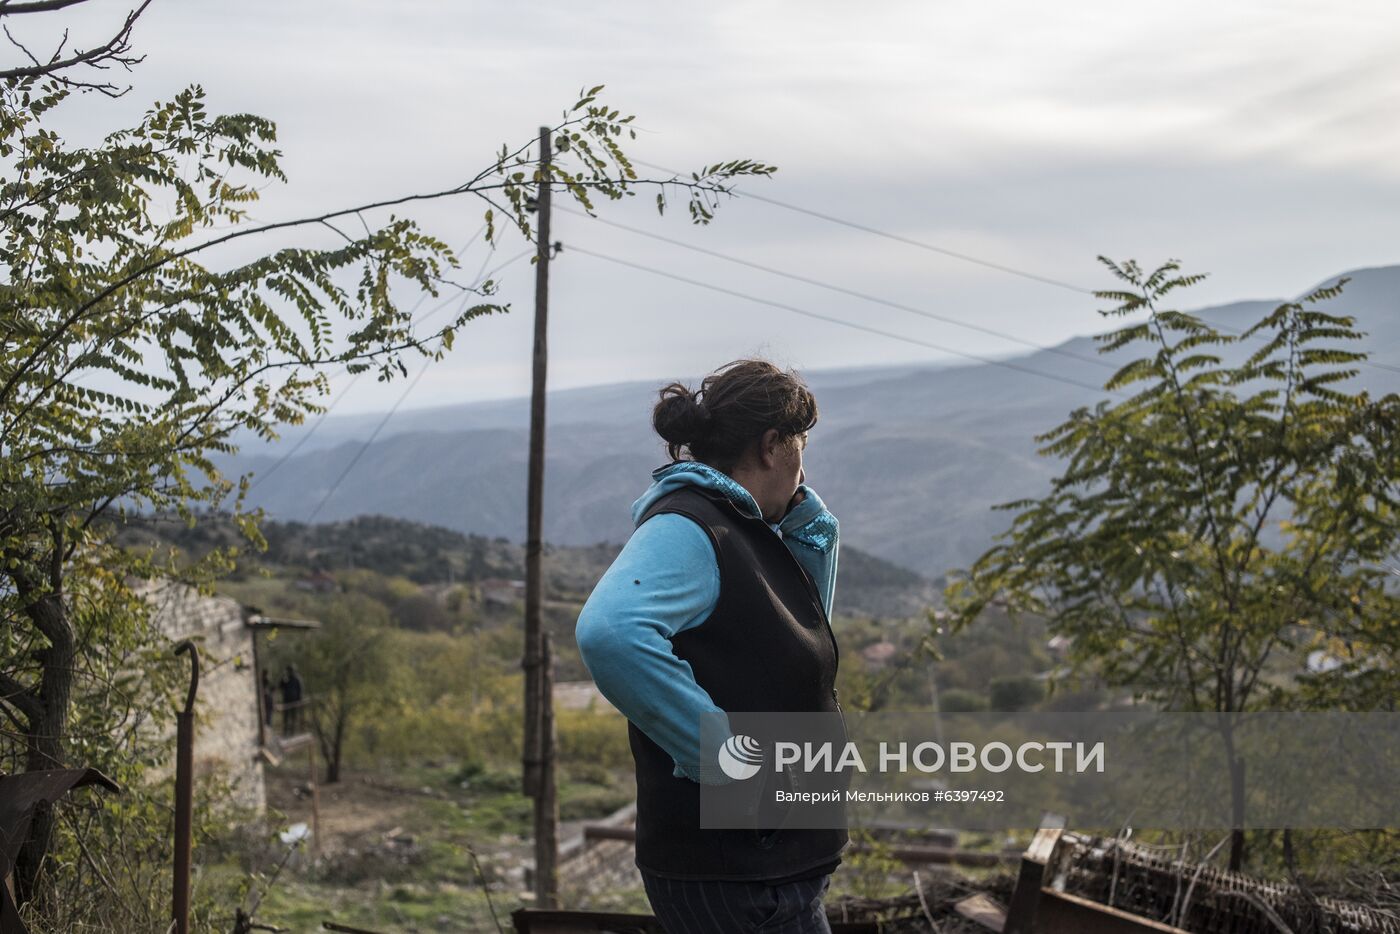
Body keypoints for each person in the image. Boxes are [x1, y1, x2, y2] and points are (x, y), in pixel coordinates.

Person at [576, 358, 845, 933]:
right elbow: (611, 634)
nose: (804, 466)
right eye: (802, 445)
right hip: (739, 874)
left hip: (770, 864)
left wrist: (810, 532)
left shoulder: (742, 528)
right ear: (774, 445)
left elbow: (792, 641)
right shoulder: (693, 528)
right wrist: (724, 760)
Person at [279, 664, 303, 736]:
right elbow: (280, 686)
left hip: (294, 701)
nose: (290, 672)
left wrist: (299, 700)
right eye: (288, 671)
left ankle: (292, 732)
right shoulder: (286, 678)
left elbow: (300, 690)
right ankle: (285, 732)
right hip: (286, 700)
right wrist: (283, 677)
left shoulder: (297, 679)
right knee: (286, 717)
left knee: (293, 717)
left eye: (290, 670)